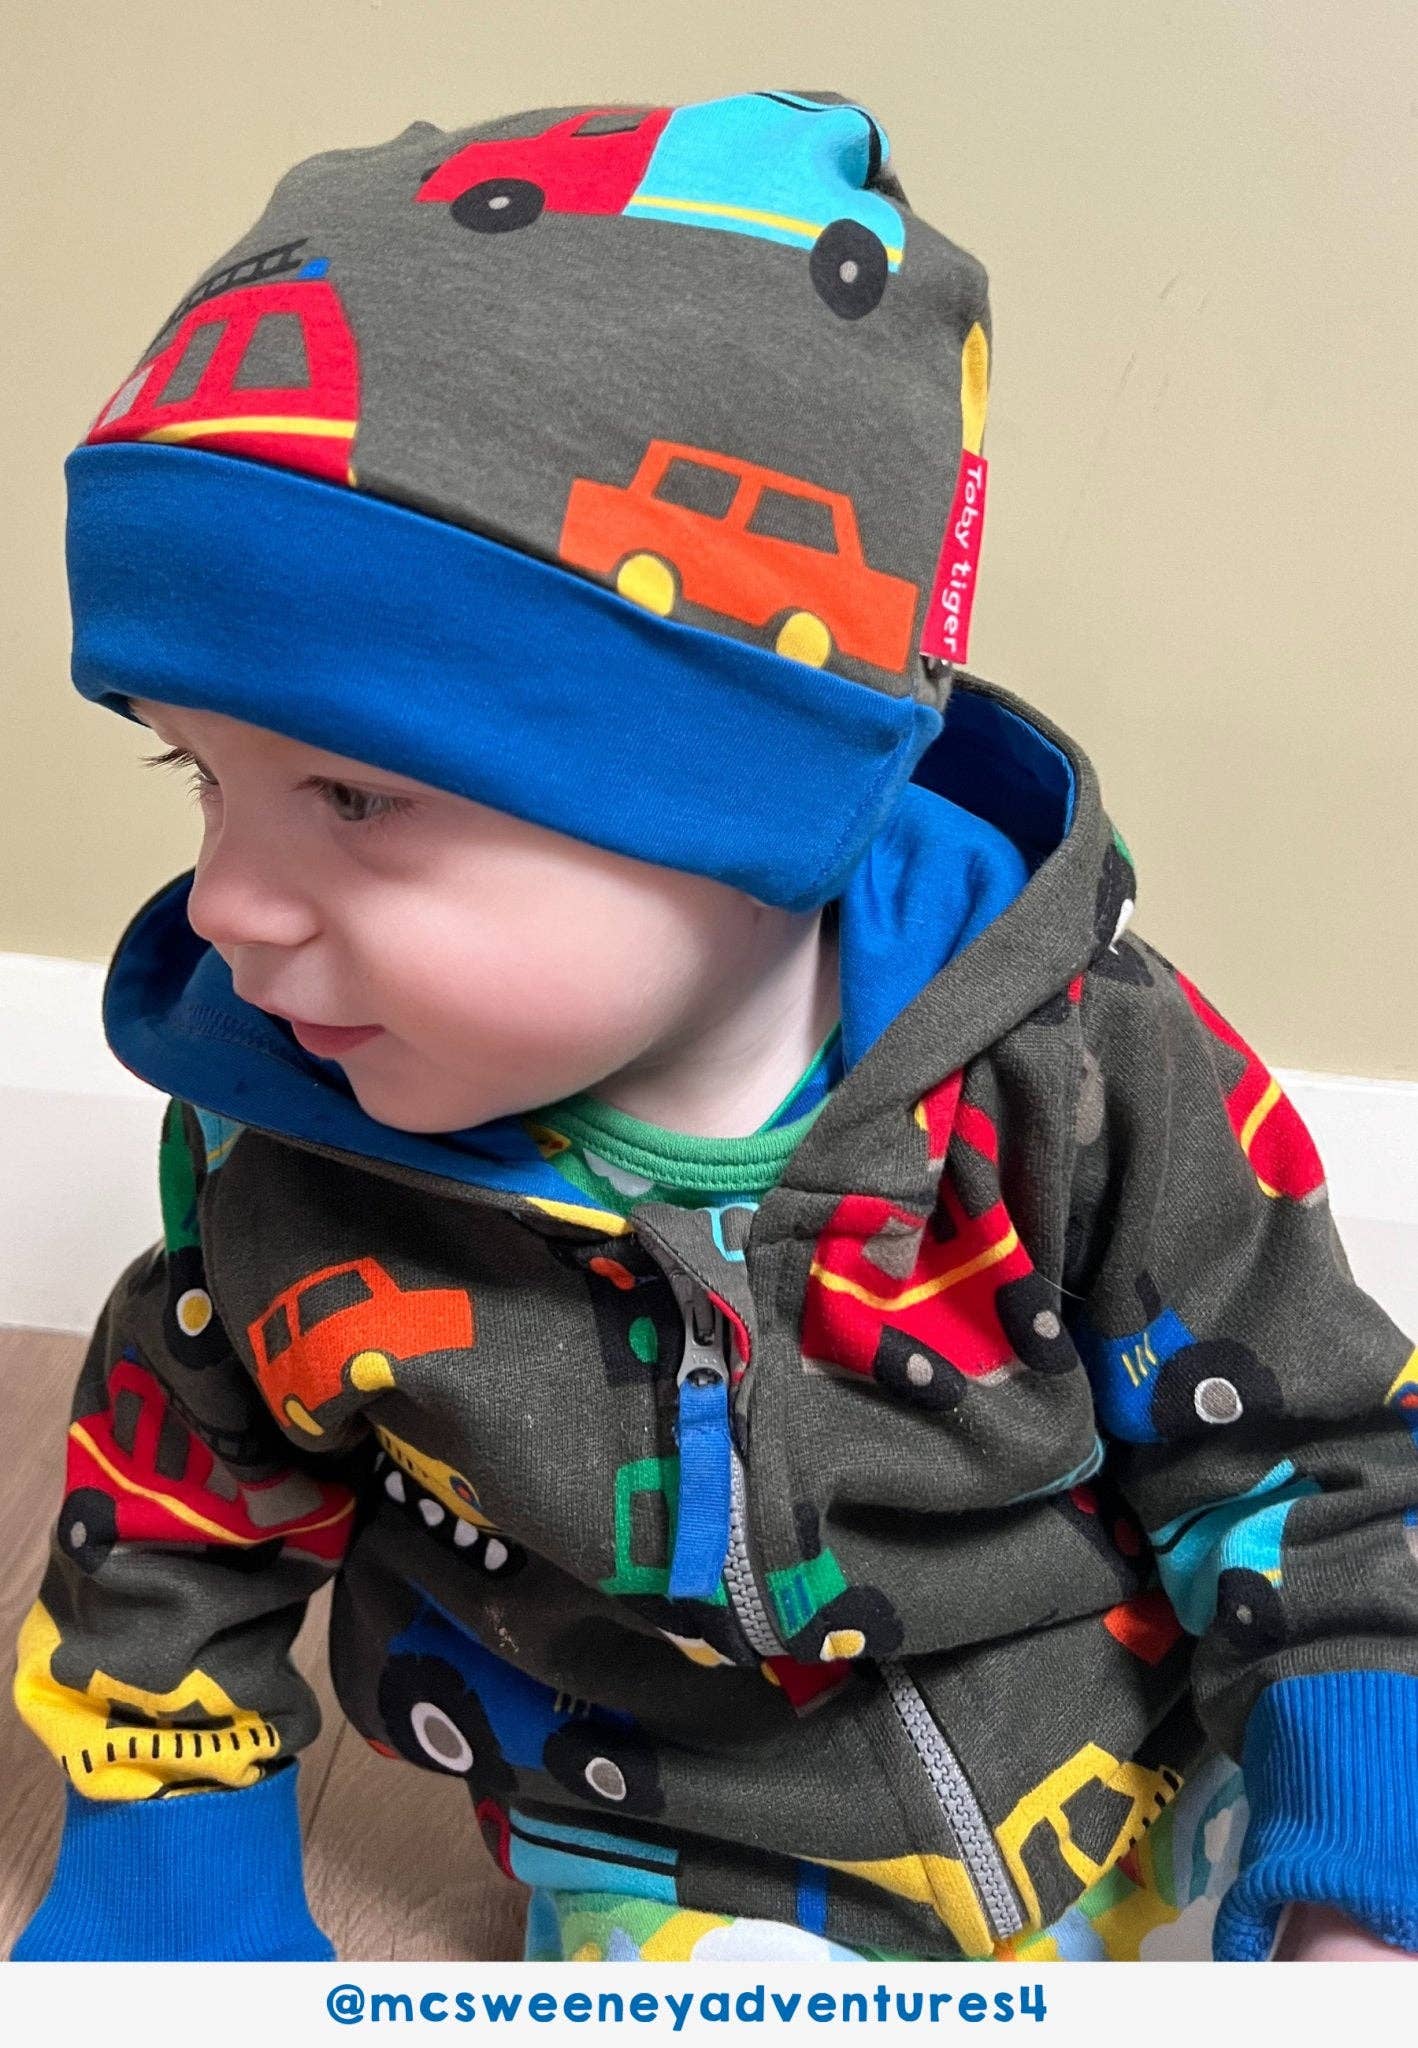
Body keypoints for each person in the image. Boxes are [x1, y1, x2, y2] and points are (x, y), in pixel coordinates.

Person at [11, 87, 1417, 1967]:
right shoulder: (298, 1175)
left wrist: (1354, 1866)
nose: (224, 907)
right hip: (689, 1866)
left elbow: (1314, 1448)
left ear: (742, 800)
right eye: (202, 774)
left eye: (351, 797)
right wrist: (165, 1908)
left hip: (1158, 1760)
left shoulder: (1075, 1073)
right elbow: (172, 1537)